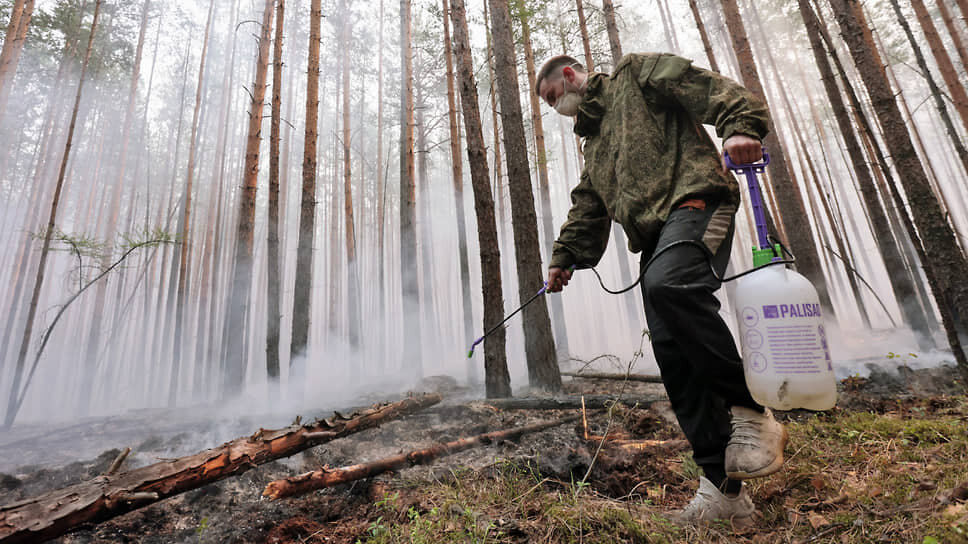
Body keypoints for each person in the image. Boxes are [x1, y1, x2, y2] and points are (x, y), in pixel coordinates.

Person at [536, 53, 787, 525]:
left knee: (668, 283)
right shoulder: (595, 143)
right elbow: (588, 205)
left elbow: (708, 88)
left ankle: (751, 413)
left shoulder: (636, 75)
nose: (556, 108)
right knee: (672, 351)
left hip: (698, 202)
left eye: (553, 97)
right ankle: (723, 493)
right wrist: (563, 257)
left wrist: (740, 127)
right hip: (656, 237)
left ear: (569, 76)